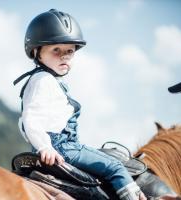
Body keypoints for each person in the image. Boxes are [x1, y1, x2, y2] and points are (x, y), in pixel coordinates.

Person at [14, 9, 146, 200]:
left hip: (60, 144)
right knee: (115, 167)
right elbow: (30, 119)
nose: (64, 56)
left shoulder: (49, 80)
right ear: (37, 52)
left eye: (69, 51)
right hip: (62, 146)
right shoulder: (43, 80)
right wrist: (44, 147)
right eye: (56, 50)